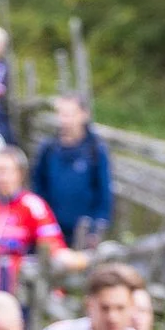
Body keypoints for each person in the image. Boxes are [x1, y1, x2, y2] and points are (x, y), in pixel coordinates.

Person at [0, 148, 69, 298]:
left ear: (20, 174)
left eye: (4, 171)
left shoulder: (33, 205)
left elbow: (52, 245)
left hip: (21, 290)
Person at [31, 96, 113, 251]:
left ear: (84, 114)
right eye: (62, 114)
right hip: (52, 230)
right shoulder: (48, 149)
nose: (65, 120)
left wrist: (97, 227)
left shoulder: (95, 150)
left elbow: (103, 192)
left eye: (70, 114)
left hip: (84, 231)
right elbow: (38, 188)